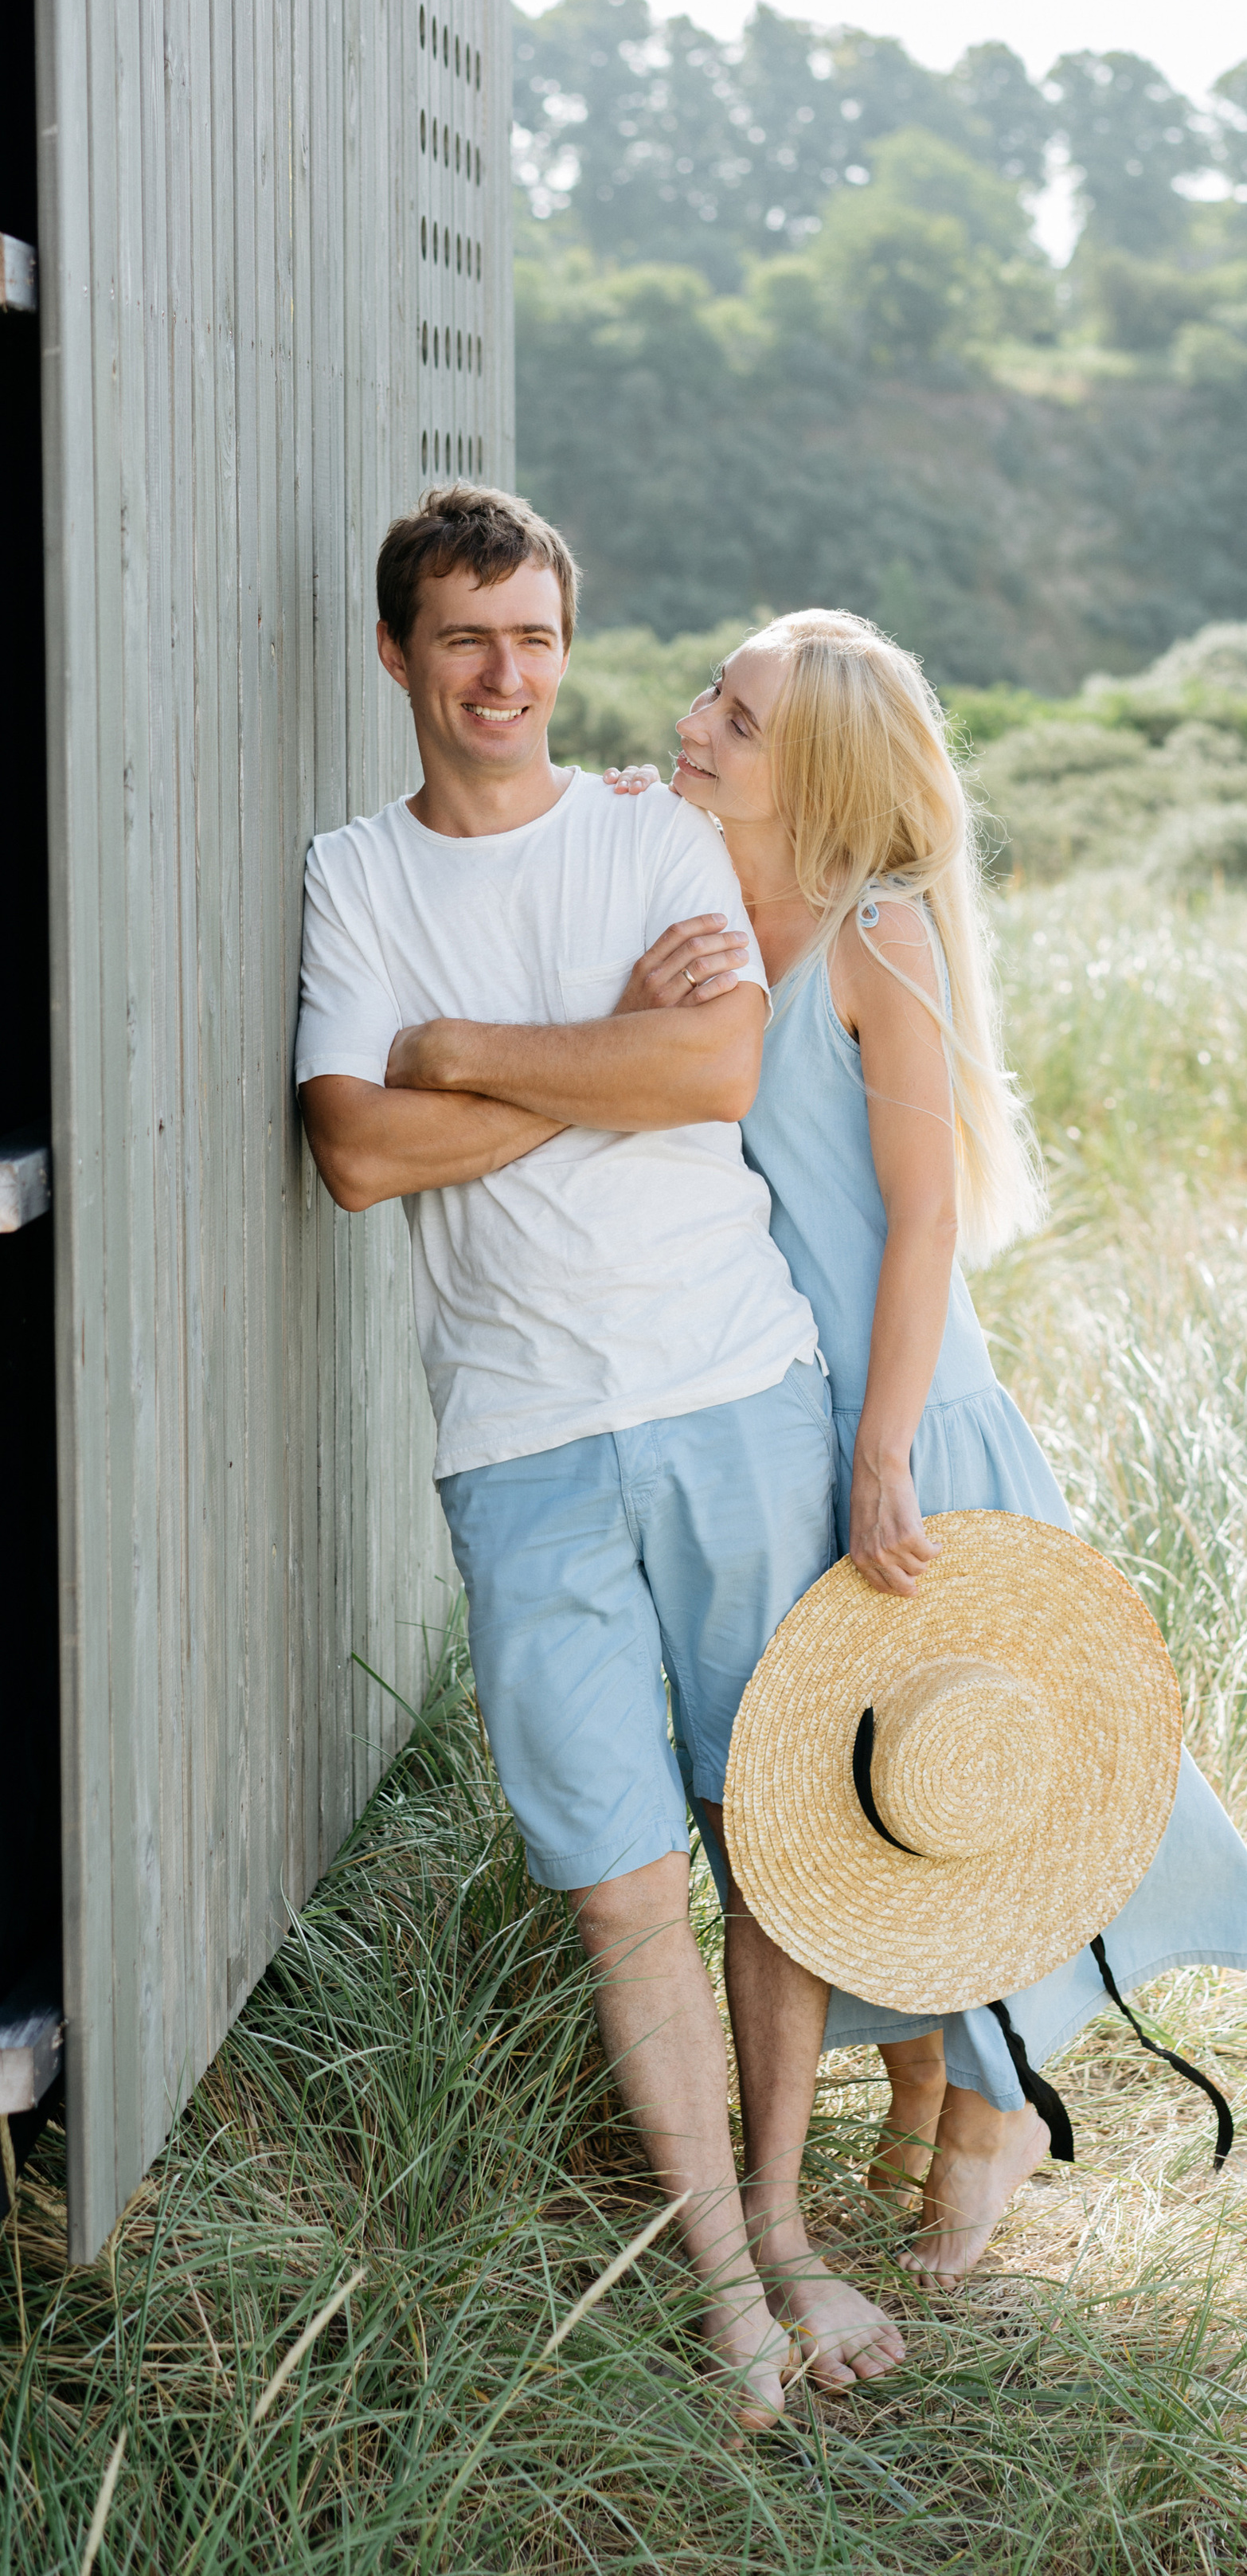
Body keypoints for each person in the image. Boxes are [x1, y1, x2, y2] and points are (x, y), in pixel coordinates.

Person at [293, 487, 902, 2429]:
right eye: (466, 636)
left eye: (537, 635)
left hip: (732, 1387)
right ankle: (721, 2276)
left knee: (768, 1829)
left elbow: (708, 1073)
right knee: (626, 1879)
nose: (506, 675)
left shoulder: (657, 829)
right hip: (519, 1432)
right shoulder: (352, 877)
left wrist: (459, 1050)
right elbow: (354, 1154)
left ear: (569, 642)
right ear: (396, 654)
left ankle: (795, 2227)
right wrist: (568, 1051)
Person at [605, 606, 1247, 2275]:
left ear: (817, 768)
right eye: (711, 691)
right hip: (769, 1411)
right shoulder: (696, 888)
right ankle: (929, 2076)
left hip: (903, 1413)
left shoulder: (874, 930)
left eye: (739, 716)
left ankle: (993, 2095)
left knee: (983, 1765)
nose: (699, 721)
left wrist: (882, 1446)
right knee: (849, 1784)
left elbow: (919, 1226)